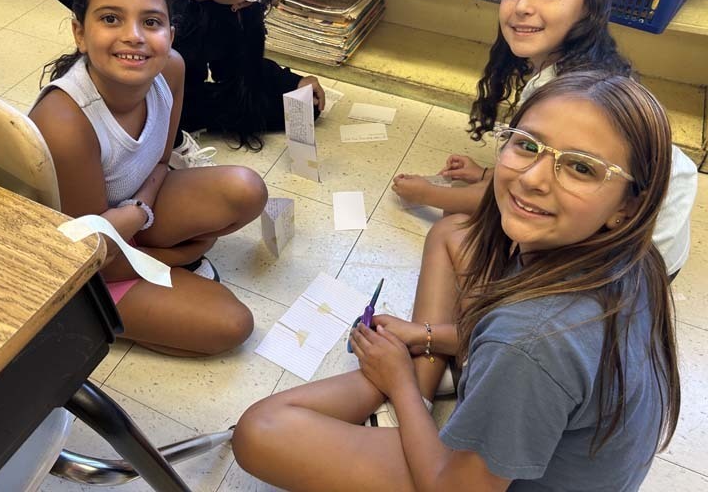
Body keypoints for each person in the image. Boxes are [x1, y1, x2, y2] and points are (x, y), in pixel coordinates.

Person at [232, 71, 681, 491]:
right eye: (527, 144)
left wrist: (401, 385)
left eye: (581, 167)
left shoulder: (528, 341)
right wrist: (424, 336)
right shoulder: (632, 257)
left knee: (259, 431)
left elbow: (454, 487)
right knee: (453, 231)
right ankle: (418, 389)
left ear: (629, 205)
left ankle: (411, 394)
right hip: (540, 420)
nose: (534, 178)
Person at [391, 0, 697, 277]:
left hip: (625, 264)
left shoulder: (569, 96)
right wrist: (487, 174)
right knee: (465, 209)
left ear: (589, 5)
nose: (522, 6)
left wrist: (426, 193)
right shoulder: (574, 71)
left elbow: (518, 199)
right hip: (629, 238)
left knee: (452, 225)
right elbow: (559, 170)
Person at [30, 0, 268, 356]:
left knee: (247, 189)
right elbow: (87, 254)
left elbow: (160, 162)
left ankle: (149, 263)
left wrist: (139, 210)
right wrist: (176, 254)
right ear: (80, 33)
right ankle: (84, 315)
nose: (134, 36)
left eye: (151, 22)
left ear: (171, 35)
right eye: (110, 19)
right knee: (231, 325)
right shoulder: (66, 123)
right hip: (81, 263)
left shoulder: (171, 68)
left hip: (129, 210)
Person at [4, 0, 325, 161]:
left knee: (296, 108)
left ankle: (167, 145)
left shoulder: (225, 12)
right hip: (110, 97)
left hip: (173, 103)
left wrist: (294, 81)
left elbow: (240, 70)